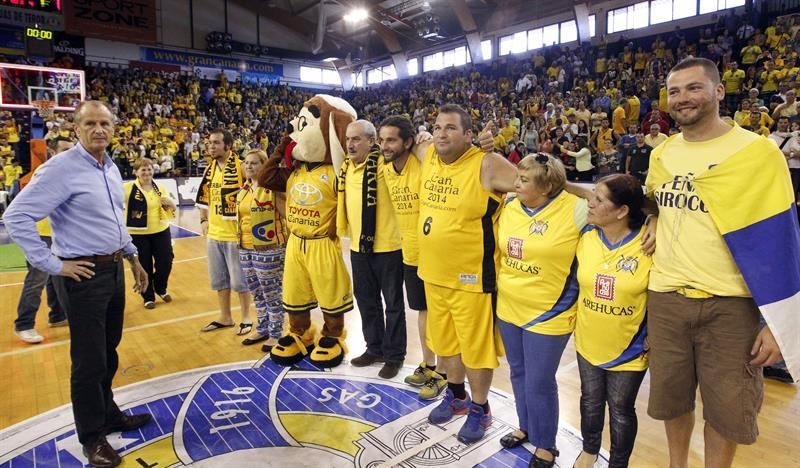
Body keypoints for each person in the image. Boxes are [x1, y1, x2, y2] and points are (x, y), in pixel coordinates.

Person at [646, 58, 799, 468]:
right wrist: (653, 217)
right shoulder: (662, 154)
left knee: (727, 412)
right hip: (667, 297)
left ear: (718, 91)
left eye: (694, 88)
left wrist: (776, 322)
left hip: (731, 304)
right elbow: (655, 199)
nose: (682, 99)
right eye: (674, 91)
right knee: (672, 400)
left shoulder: (758, 153)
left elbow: (782, 239)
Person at [3, 100, 152, 468]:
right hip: (83, 275)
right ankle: (92, 437)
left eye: (105, 123)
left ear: (113, 128)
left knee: (108, 351)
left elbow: (114, 220)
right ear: (76, 128)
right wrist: (53, 264)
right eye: (90, 123)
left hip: (114, 268)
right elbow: (16, 216)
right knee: (88, 362)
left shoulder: (110, 166)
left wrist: (133, 258)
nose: (98, 129)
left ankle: (108, 413)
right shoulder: (60, 169)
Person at [418, 104, 517, 444]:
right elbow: (412, 142)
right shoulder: (428, 153)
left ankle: (480, 408)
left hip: (471, 279)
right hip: (433, 274)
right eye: (437, 126)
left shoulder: (487, 164)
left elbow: (536, 182)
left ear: (469, 135)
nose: (441, 133)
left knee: (476, 350)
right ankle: (457, 396)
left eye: (450, 128)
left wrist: (494, 146)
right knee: (446, 346)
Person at [496, 153, 587, 467]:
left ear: (547, 187)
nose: (516, 183)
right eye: (517, 178)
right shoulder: (508, 205)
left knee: (540, 379)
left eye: (524, 180)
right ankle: (526, 427)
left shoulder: (576, 210)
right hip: (508, 306)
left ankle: (546, 445)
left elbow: (615, 203)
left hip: (549, 311)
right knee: (518, 373)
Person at [572, 174, 653, 468]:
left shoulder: (649, 243)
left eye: (599, 200)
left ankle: (618, 463)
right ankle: (590, 450)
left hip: (629, 347)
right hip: (587, 339)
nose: (590, 204)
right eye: (591, 196)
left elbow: (659, 293)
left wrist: (654, 333)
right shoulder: (586, 238)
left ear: (622, 211)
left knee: (621, 409)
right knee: (590, 400)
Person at [379, 115, 447, 399]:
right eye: (382, 140)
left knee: (441, 316)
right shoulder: (385, 169)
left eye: (391, 140)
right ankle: (429, 364)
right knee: (422, 312)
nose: (385, 145)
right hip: (411, 253)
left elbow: (443, 156)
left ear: (407, 141)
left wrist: (425, 138)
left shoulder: (423, 159)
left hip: (437, 253)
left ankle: (444, 372)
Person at [338, 120, 406, 379]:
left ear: (371, 141)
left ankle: (395, 355)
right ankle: (374, 347)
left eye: (356, 139)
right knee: (366, 302)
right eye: (348, 139)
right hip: (358, 246)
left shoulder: (384, 164)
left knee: (393, 305)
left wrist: (421, 137)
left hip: (388, 246)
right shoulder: (346, 167)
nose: (350, 144)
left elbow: (409, 156)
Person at [13, 136, 72, 344]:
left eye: (72, 149)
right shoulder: (46, 172)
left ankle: (57, 316)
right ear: (52, 152)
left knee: (55, 277)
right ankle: (24, 324)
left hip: (57, 234)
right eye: (64, 149)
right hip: (40, 234)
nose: (69, 153)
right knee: (36, 280)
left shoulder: (67, 173)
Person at [196, 128, 251, 335]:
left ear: (228, 146)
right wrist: (203, 219)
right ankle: (225, 316)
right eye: (210, 142)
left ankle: (246, 318)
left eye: (216, 143)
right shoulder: (209, 170)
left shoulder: (241, 167)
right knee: (219, 280)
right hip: (214, 234)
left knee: (240, 281)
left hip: (236, 235)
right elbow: (204, 197)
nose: (211, 146)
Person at [236, 149, 288, 350]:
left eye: (254, 163)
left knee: (271, 291)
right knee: (256, 291)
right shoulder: (243, 190)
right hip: (245, 248)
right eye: (246, 163)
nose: (248, 166)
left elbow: (286, 215)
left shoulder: (272, 189)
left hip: (269, 249)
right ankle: (263, 327)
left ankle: (276, 332)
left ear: (264, 165)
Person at [123, 158, 176, 309]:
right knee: (144, 264)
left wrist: (171, 203)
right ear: (136, 172)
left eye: (149, 169)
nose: (147, 172)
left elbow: (170, 207)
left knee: (166, 261)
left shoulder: (160, 187)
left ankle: (160, 288)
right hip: (137, 233)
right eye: (143, 170)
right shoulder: (127, 188)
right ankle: (148, 296)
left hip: (161, 230)